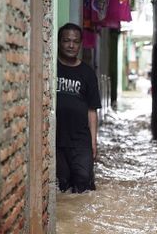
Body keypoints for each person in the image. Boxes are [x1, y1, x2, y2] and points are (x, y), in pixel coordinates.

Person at [56, 23, 101, 193]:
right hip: (57, 138)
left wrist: (93, 141)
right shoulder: (52, 68)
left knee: (83, 181)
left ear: (81, 44)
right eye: (66, 40)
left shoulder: (87, 73)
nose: (71, 45)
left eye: (75, 42)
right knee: (63, 184)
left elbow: (92, 110)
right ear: (59, 42)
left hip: (80, 140)